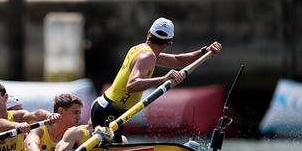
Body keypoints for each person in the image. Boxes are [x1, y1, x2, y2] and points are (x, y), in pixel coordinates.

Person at [92, 17, 222, 142]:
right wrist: (163, 79)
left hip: (107, 108)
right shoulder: (147, 57)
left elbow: (178, 60)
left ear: (149, 33)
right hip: (109, 112)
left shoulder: (142, 50)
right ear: (168, 43)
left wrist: (205, 51)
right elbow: (131, 85)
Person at [0, 81, 59, 151]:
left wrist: (49, 115)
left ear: (5, 97)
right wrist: (17, 125)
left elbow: (36, 114)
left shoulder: (17, 116)